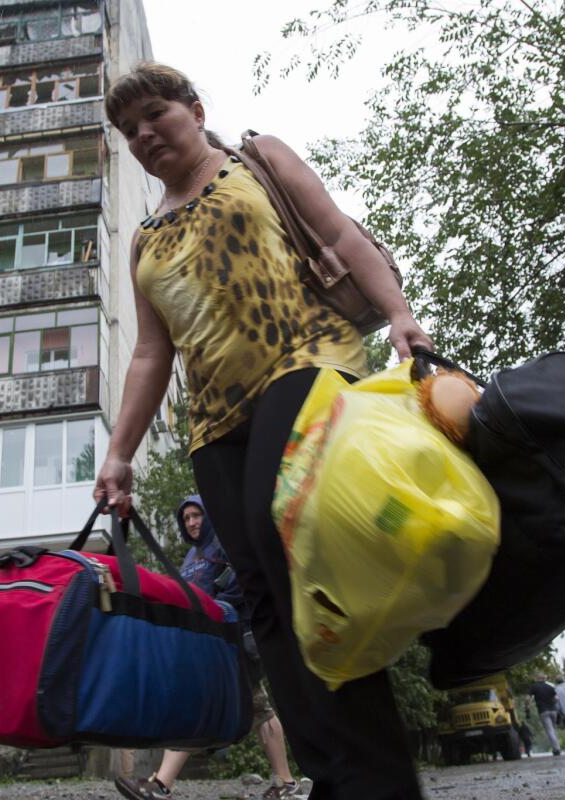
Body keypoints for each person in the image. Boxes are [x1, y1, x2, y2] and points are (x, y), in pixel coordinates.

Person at [94, 62, 433, 800]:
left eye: (155, 114)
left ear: (194, 109)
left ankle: (380, 777)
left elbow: (339, 231)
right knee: (264, 599)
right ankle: (333, 775)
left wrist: (401, 314)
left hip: (307, 362)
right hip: (214, 419)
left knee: (294, 552)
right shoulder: (144, 238)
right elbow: (153, 352)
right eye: (129, 131)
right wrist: (119, 453)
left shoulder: (258, 159)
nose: (144, 134)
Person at [116, 496, 300, 800]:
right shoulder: (191, 558)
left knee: (239, 706)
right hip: (205, 643)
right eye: (186, 518)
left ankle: (162, 785)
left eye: (196, 515)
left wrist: (216, 598)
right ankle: (284, 783)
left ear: (207, 515)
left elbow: (246, 582)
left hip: (235, 640)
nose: (191, 522)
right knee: (229, 707)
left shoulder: (226, 543)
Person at [528, 674, 561, 756]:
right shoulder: (550, 687)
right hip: (553, 711)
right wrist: (552, 703)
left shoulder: (534, 687)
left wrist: (527, 706)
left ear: (537, 678)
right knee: (554, 729)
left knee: (549, 730)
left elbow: (527, 698)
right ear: (544, 679)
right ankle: (557, 747)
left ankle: (556, 749)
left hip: (543, 711)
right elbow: (556, 698)